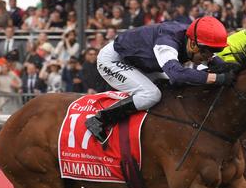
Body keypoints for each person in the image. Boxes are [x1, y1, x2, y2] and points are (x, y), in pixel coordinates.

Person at [85, 16, 230, 143]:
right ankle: (99, 119)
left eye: (214, 52)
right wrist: (216, 78)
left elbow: (218, 64)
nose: (209, 57)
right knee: (151, 95)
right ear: (193, 44)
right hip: (114, 60)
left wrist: (231, 69)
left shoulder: (195, 39)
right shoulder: (167, 42)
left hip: (141, 62)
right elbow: (177, 75)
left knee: (176, 85)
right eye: (208, 53)